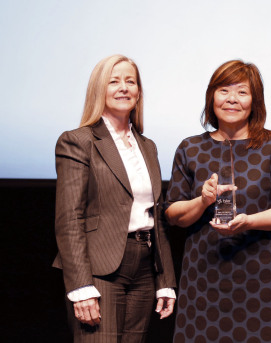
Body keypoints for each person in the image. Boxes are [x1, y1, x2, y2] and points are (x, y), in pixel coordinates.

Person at [165, 60, 271, 342]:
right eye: (223, 90)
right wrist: (202, 201)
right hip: (204, 276)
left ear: (255, 101)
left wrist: (250, 221)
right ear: (211, 96)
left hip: (265, 278)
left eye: (242, 92)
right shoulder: (190, 148)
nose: (231, 99)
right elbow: (172, 214)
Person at [53, 54, 176, 342]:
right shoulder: (78, 141)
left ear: (138, 92)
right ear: (99, 89)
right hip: (99, 269)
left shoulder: (148, 146)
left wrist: (166, 281)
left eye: (130, 81)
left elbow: (156, 218)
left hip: (144, 268)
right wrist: (81, 286)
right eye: (114, 81)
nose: (124, 88)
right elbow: (69, 220)